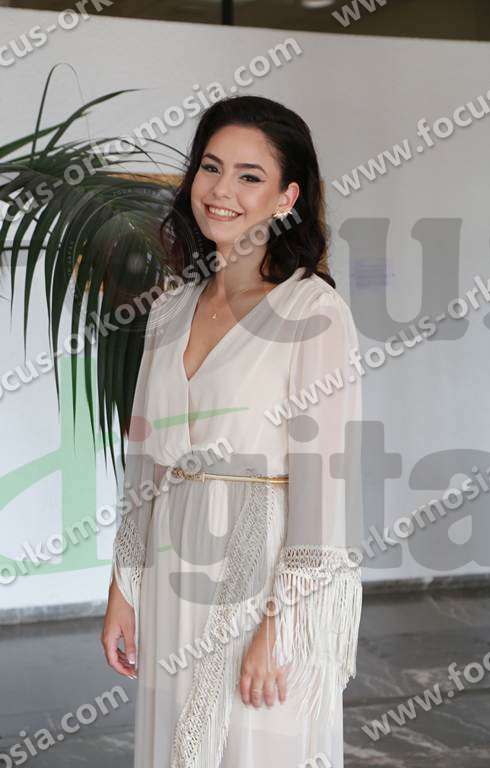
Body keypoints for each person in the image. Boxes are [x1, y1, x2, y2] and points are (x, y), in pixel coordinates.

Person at [101, 95, 363, 768]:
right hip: (171, 562)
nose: (221, 191)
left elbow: (322, 485)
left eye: (250, 176)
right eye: (211, 167)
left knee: (255, 745)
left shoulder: (313, 311)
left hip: (260, 574)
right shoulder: (170, 308)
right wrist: (124, 587)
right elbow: (145, 460)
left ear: (287, 197)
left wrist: (282, 624)